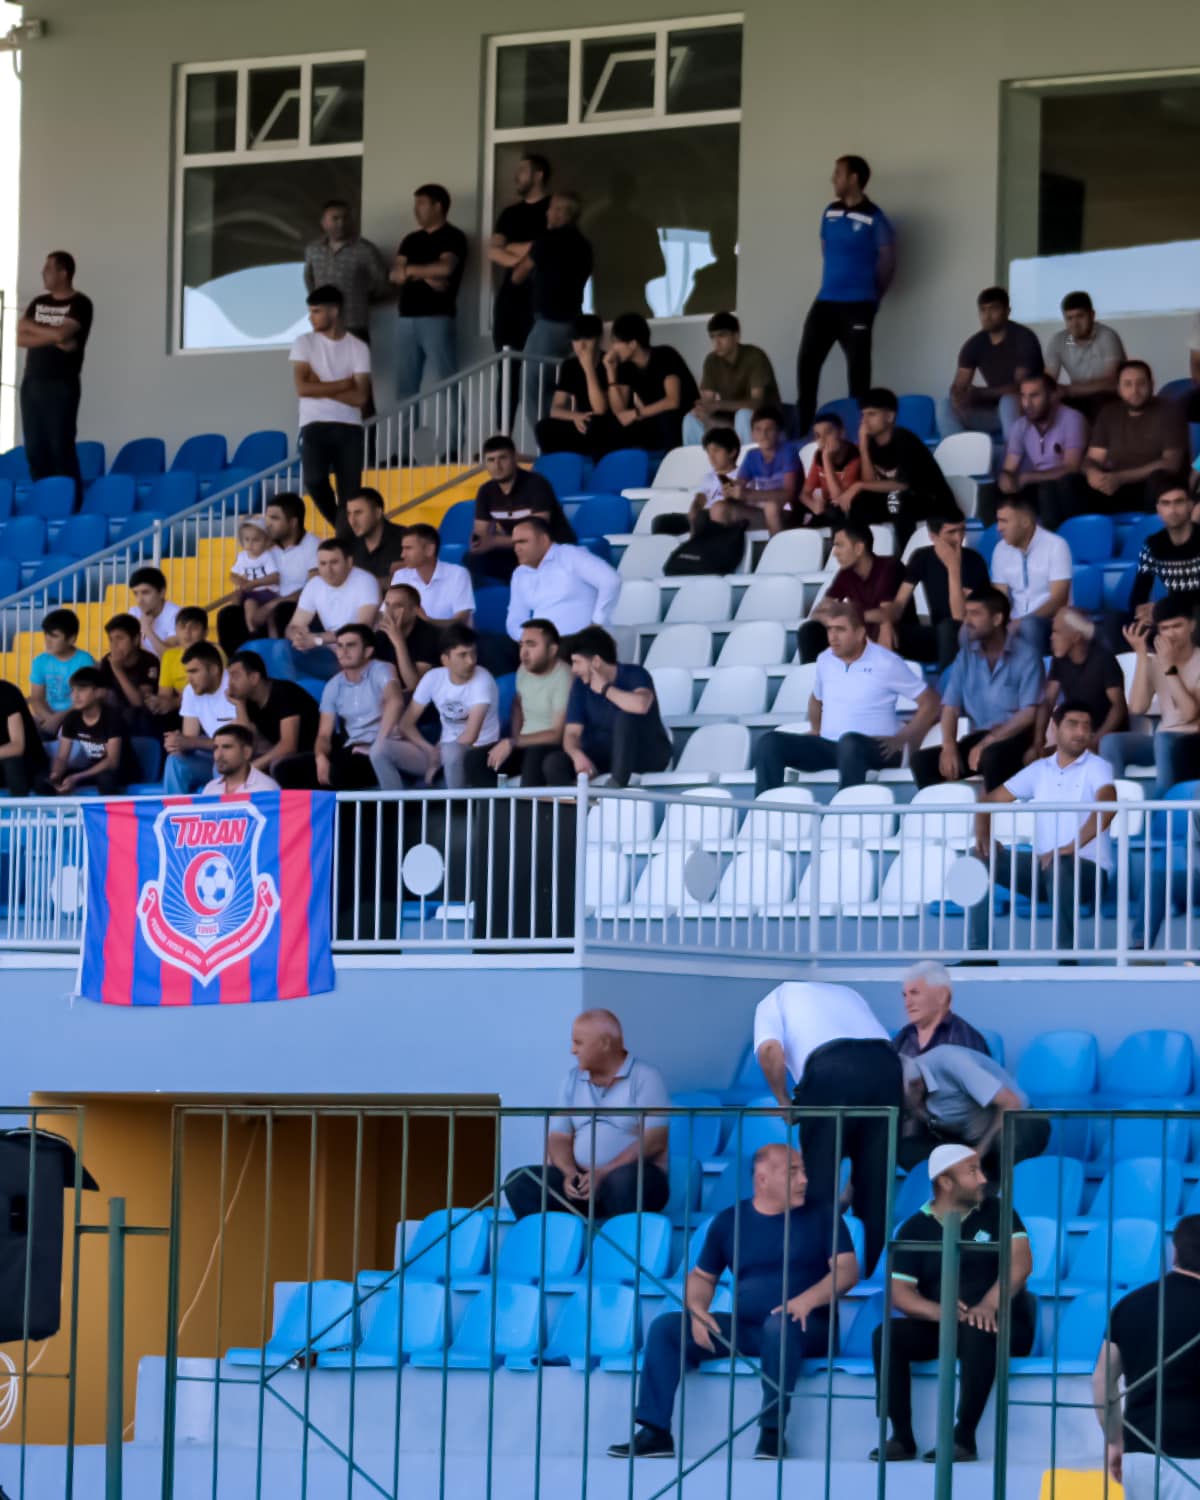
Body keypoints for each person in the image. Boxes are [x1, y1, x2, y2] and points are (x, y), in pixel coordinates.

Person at [609, 1144, 858, 1464]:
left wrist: (806, 1301)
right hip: (748, 1328)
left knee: (781, 1323)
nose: (804, 1180)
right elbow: (701, 1277)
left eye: (803, 1171)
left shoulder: (822, 1215)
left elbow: (847, 1270)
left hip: (807, 1327)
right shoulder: (730, 1221)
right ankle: (655, 1432)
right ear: (763, 1178)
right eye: (793, 1172)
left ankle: (771, 1432)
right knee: (668, 1328)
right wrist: (698, 1311)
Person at [871, 1145, 1034, 1464]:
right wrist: (941, 1312)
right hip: (945, 1323)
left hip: (1000, 1321)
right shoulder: (914, 1228)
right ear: (945, 1182)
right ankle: (901, 1436)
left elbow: (1021, 1263)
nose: (983, 1179)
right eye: (972, 1171)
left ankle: (964, 1437)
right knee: (886, 1336)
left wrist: (988, 1304)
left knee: (978, 1328)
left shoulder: (999, 1212)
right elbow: (900, 1293)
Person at [754, 979, 901, 1276]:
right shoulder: (848, 993)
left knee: (819, 1180)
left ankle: (816, 1274)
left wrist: (784, 1101)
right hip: (887, 1065)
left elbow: (770, 1051)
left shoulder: (773, 999)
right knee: (875, 1184)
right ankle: (868, 1274)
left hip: (831, 1066)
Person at [973, 701, 1117, 955]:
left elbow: (1108, 805)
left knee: (1061, 863)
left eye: (1086, 727)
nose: (1081, 732)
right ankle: (978, 953)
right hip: (1044, 869)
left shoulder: (1097, 766)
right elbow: (987, 800)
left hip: (1089, 873)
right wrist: (984, 837)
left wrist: (1069, 848)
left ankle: (1065, 954)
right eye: (1073, 724)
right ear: (1055, 727)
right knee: (977, 860)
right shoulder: (1039, 769)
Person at [754, 602, 939, 793]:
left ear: (860, 633)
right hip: (834, 746)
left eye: (840, 630)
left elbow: (931, 703)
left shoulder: (885, 662)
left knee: (849, 743)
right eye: (830, 629)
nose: (832, 637)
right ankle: (764, 813)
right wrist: (816, 729)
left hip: (880, 748)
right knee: (770, 743)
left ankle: (844, 816)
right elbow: (816, 698)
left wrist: (904, 737)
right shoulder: (826, 659)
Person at [505, 1009, 671, 1222]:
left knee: (623, 1182)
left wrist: (603, 1173)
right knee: (521, 1181)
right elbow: (558, 1137)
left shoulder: (646, 1076)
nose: (573, 1050)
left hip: (634, 1176)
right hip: (582, 1178)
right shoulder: (571, 1080)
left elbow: (654, 1141)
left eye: (578, 1043)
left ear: (604, 1043)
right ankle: (555, 1249)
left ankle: (619, 1249)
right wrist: (568, 1173)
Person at [1093, 1214, 1200, 1500]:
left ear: (1175, 1252)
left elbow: (1102, 1381)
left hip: (1142, 1453)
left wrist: (1115, 1440)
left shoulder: (1130, 1303)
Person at [796, 155, 896, 436]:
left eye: (838, 173)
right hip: (826, 301)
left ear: (854, 178)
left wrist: (873, 297)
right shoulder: (829, 212)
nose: (833, 179)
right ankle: (805, 431)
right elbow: (826, 248)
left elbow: (888, 262)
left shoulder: (875, 218)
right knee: (807, 364)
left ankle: (858, 434)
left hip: (858, 305)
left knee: (858, 374)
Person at [911, 588, 1044, 792]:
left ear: (997, 619)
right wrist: (949, 745)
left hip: (1014, 739)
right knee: (923, 761)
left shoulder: (1027, 656)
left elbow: (1028, 715)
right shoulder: (965, 656)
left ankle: (995, 820)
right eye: (966, 613)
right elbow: (950, 707)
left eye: (975, 613)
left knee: (992, 756)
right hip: (978, 739)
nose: (967, 621)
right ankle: (940, 821)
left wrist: (989, 742)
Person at [540, 626, 672, 787]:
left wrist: (605, 689)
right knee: (554, 762)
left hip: (643, 755)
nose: (573, 669)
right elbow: (572, 733)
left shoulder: (635, 674)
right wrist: (577, 755)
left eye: (577, 662)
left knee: (625, 716)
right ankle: (571, 809)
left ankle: (615, 788)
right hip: (602, 758)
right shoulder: (580, 687)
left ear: (596, 662)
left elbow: (641, 704)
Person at [372, 623, 500, 789]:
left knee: (451, 751)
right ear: (445, 660)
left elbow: (470, 736)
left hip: (477, 753)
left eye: (473, 654)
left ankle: (454, 810)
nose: (471, 661)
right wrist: (429, 751)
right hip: (443, 751)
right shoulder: (433, 678)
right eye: (463, 655)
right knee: (379, 750)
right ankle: (394, 809)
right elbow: (406, 723)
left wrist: (438, 762)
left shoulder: (483, 679)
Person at [290, 284, 371, 528]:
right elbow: (303, 389)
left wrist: (322, 384)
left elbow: (360, 398)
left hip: (349, 426)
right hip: (314, 424)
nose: (310, 317)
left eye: (316, 311)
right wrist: (344, 384)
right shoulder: (304, 343)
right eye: (310, 311)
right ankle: (341, 526)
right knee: (314, 480)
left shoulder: (358, 347)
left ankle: (344, 534)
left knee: (351, 492)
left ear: (334, 311)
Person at [840, 389, 961, 550]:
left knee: (896, 501)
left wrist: (859, 485)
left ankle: (905, 557)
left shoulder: (904, 440)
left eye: (872, 414)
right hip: (899, 498)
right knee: (859, 503)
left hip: (932, 500)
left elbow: (902, 484)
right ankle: (862, 553)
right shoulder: (871, 443)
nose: (864, 421)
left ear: (889, 417)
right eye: (863, 415)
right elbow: (870, 483)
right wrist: (863, 447)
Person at [1101, 597, 1200, 794]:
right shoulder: (1156, 662)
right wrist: (1141, 656)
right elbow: (1138, 707)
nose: (1170, 634)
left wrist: (1169, 669)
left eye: (1177, 626)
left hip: (1192, 741)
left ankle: (1163, 809)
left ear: (1191, 625)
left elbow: (1189, 713)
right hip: (1162, 740)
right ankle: (1118, 809)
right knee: (1111, 742)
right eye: (1164, 628)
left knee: (1163, 740)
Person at [512, 191, 593, 430]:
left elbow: (518, 275)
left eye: (552, 208)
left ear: (562, 213)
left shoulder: (548, 241)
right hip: (574, 323)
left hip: (549, 323)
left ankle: (544, 441)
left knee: (533, 386)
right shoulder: (584, 245)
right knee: (562, 388)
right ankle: (563, 438)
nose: (547, 212)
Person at [900, 1048, 1052, 1176]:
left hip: (1022, 1121)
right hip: (967, 1136)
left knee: (1005, 1141)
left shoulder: (950, 1062)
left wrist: (979, 1151)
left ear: (917, 1085)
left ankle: (1004, 1201)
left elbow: (1011, 1103)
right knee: (905, 1149)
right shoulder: (911, 1087)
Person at [17, 250, 94, 495]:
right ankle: (45, 497)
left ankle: (69, 500)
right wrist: (55, 337)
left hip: (61, 385)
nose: (43, 272)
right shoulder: (39, 303)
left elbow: (64, 334)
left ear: (64, 273)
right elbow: (21, 335)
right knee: (35, 448)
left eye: (48, 268)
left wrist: (43, 332)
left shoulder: (80, 303)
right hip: (32, 383)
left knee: (59, 445)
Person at [464, 619, 571, 787]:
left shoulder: (564, 676)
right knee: (475, 760)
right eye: (521, 645)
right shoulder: (524, 669)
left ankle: (527, 812)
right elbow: (517, 705)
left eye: (531, 645)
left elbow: (556, 734)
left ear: (552, 650)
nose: (524, 653)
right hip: (525, 743)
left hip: (553, 747)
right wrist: (515, 739)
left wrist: (514, 741)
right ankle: (493, 812)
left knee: (533, 759)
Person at [390, 184, 469, 406]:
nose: (416, 209)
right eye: (415, 204)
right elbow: (395, 274)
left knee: (447, 383)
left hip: (438, 317)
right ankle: (405, 441)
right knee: (406, 387)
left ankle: (454, 441)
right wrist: (427, 275)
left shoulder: (453, 236)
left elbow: (445, 269)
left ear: (438, 206)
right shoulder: (411, 239)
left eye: (421, 204)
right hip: (406, 318)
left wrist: (412, 270)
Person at [217, 492, 320, 656]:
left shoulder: (314, 545)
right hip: (263, 604)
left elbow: (312, 589)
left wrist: (272, 605)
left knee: (281, 610)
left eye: (274, 518)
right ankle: (238, 665)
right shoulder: (264, 545)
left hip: (295, 607)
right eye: (267, 518)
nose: (268, 524)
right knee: (227, 615)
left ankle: (280, 666)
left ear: (293, 522)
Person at [939, 287, 1043, 444]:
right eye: (983, 310)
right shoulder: (974, 344)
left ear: (1007, 311)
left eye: (993, 309)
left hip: (1027, 409)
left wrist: (981, 393)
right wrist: (958, 396)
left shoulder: (1024, 338)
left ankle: (1013, 458)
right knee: (945, 405)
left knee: (1008, 401)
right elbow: (959, 384)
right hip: (994, 413)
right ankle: (960, 456)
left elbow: (1020, 387)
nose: (987, 316)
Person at [468, 434, 575, 584]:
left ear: (514, 458)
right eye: (491, 460)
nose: (497, 466)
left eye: (502, 458)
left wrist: (494, 541)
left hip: (550, 549)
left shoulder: (536, 484)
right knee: (472, 559)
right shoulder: (486, 491)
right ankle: (487, 602)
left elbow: (536, 534)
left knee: (528, 555)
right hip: (518, 549)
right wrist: (478, 542)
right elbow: (481, 533)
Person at [1084, 361, 1188, 515]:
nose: (1135, 391)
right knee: (1071, 482)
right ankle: (1081, 533)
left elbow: (1171, 464)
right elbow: (1093, 458)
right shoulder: (1109, 413)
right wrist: (1092, 472)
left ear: (1152, 385)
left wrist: (1121, 478)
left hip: (1152, 487)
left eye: (1141, 384)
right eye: (1127, 384)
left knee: (1159, 479)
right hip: (1115, 486)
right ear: (1118, 388)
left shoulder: (1169, 411)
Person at [889, 515, 990, 671]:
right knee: (888, 632)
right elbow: (900, 603)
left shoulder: (974, 561)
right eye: (951, 532)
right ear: (933, 537)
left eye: (962, 530)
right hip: (937, 636)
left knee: (949, 627)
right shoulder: (922, 556)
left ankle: (948, 688)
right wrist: (886, 623)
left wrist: (953, 568)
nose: (959, 538)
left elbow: (959, 618)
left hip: (969, 637)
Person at [797, 520, 909, 660]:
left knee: (881, 627)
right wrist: (841, 620)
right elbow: (818, 612)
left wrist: (847, 617)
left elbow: (887, 614)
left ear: (858, 548)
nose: (835, 553)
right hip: (861, 632)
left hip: (898, 634)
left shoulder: (889, 567)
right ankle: (813, 676)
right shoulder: (846, 573)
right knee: (810, 630)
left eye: (840, 546)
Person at [504, 517, 621, 645]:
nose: (517, 548)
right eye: (514, 543)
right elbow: (515, 619)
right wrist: (531, 640)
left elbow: (611, 580)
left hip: (584, 646)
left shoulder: (569, 555)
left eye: (522, 542)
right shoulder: (520, 574)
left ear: (543, 540)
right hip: (546, 651)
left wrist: (597, 623)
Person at [996, 373, 1090, 530]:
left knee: (1052, 488)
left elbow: (1071, 467)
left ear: (1053, 396)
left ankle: (1059, 543)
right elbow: (1009, 468)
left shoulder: (1072, 418)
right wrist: (1005, 479)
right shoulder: (1020, 426)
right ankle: (999, 542)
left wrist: (1027, 477)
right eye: (1023, 396)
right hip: (1039, 486)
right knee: (993, 490)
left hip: (1070, 489)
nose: (1027, 403)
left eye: (1034, 396)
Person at [1029, 609, 1126, 760]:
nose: (1051, 637)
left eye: (1057, 632)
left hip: (1105, 737)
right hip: (1078, 735)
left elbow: (1118, 707)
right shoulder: (1060, 660)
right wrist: (1038, 741)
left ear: (1076, 636)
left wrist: (1096, 740)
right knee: (1031, 758)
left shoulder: (1104, 659)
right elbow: (1048, 701)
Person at [313, 626, 401, 790]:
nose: (343, 651)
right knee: (287, 769)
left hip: (382, 749)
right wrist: (320, 757)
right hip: (352, 750)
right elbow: (324, 734)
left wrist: (377, 747)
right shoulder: (333, 684)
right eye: (339, 645)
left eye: (351, 645)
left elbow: (395, 701)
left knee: (339, 773)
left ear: (368, 651)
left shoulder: (382, 669)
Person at [287, 536, 381, 680]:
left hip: (358, 655)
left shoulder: (365, 581)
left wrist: (317, 639)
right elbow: (293, 626)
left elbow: (362, 630)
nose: (328, 570)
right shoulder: (314, 585)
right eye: (322, 563)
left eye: (334, 562)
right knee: (280, 650)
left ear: (349, 562)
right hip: (329, 652)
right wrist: (298, 637)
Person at [990, 492, 1073, 651]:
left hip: (1050, 621)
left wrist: (1023, 621)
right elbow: (1000, 598)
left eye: (1004, 521)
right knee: (973, 628)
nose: (999, 528)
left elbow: (1059, 599)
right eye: (998, 521)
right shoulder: (1000, 550)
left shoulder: (1056, 546)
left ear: (1026, 522)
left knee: (1030, 626)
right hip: (1015, 621)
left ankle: (1035, 675)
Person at [605, 313, 700, 452]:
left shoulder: (665, 355)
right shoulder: (626, 366)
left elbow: (672, 401)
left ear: (632, 344)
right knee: (614, 426)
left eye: (615, 342)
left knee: (665, 418)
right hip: (652, 416)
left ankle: (671, 464)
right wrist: (610, 372)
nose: (612, 348)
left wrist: (636, 414)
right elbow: (620, 412)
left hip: (683, 417)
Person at [683, 312, 780, 446]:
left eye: (722, 335)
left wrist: (719, 405)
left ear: (736, 336)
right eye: (712, 337)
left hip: (762, 419)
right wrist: (702, 410)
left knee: (743, 414)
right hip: (730, 421)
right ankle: (701, 463)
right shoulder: (711, 360)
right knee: (690, 419)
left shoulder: (755, 356)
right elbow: (708, 399)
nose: (717, 342)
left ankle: (746, 463)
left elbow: (757, 403)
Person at [488, 153, 551, 357]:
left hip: (541, 298)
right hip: (510, 299)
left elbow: (551, 246)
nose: (517, 176)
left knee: (539, 366)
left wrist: (512, 247)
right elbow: (493, 250)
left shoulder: (553, 209)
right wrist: (526, 258)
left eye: (523, 170)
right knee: (507, 364)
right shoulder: (510, 213)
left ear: (539, 175)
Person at [303, 199, 390, 343]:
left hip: (354, 323)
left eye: (346, 218)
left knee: (355, 366)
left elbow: (382, 282)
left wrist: (363, 298)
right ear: (324, 223)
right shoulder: (313, 249)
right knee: (323, 366)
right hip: (324, 325)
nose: (341, 223)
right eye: (335, 218)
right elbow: (309, 279)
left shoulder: (365, 249)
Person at [534, 314, 619, 459]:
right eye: (576, 339)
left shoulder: (609, 362)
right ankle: (560, 464)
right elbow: (556, 409)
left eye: (587, 339)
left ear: (598, 339)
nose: (581, 345)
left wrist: (588, 369)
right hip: (583, 421)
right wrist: (575, 416)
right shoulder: (570, 366)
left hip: (607, 424)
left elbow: (600, 409)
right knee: (544, 427)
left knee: (596, 424)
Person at [226, 651, 320, 778]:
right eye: (229, 677)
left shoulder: (285, 693)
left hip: (314, 754)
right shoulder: (248, 700)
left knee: (278, 767)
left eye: (235, 677)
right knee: (229, 763)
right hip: (281, 754)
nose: (230, 684)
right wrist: (239, 705)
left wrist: (251, 768)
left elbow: (288, 746)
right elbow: (248, 741)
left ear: (254, 678)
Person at [40, 667, 129, 795]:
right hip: (92, 769)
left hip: (120, 772)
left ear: (99, 693)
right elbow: (62, 757)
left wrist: (77, 777)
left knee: (106, 779)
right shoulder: (72, 717)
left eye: (81, 690)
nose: (75, 696)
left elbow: (112, 762)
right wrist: (56, 774)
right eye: (73, 690)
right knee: (44, 781)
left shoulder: (112, 718)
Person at [162, 643, 237, 793]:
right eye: (187, 672)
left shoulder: (235, 686)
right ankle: (174, 813)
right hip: (210, 757)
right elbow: (190, 737)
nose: (189, 679)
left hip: (239, 758)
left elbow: (236, 742)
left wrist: (191, 742)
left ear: (214, 670)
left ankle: (224, 814)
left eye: (194, 671)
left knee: (222, 760)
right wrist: (177, 743)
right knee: (175, 761)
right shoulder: (190, 691)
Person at [1044, 290, 1126, 420]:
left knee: (1099, 401)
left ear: (1092, 315)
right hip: (1078, 397)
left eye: (1080, 316)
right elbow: (1048, 381)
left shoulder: (1107, 336)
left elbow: (1110, 382)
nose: (1075, 324)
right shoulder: (1058, 340)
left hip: (1108, 397)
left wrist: (1069, 390)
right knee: (1048, 406)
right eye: (1069, 318)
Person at [1128, 478, 1200, 623]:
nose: (1172, 510)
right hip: (1174, 616)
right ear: (1158, 509)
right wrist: (1141, 614)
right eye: (1166, 503)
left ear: (1190, 505)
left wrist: (1162, 608)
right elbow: (1138, 595)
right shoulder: (1153, 544)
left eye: (1178, 502)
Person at [891, 961, 989, 1058]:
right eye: (905, 995)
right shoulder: (903, 1037)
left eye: (915, 993)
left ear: (942, 996)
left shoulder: (966, 1039)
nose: (907, 1003)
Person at [390, 524, 475, 629]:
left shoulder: (458, 574)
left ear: (429, 550)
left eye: (408, 548)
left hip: (451, 642)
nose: (402, 555)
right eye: (403, 548)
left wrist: (428, 622)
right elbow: (386, 614)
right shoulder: (401, 576)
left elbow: (461, 621)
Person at [28, 608, 96, 738]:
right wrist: (49, 719)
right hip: (48, 716)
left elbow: (87, 700)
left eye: (54, 636)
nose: (48, 640)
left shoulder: (84, 660)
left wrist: (57, 719)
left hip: (78, 716)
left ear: (71, 639)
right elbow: (37, 698)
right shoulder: (40, 661)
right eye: (46, 634)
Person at [733, 406, 802, 524]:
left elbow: (788, 495)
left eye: (769, 429)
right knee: (720, 508)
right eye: (758, 429)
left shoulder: (788, 451)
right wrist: (732, 491)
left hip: (790, 510)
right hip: (764, 508)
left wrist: (750, 495)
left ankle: (777, 543)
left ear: (779, 432)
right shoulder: (751, 455)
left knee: (771, 507)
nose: (763, 434)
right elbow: (739, 485)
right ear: (752, 434)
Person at [794, 410, 861, 527]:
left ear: (841, 433)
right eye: (818, 436)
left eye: (828, 433)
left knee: (836, 511)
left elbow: (839, 498)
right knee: (792, 507)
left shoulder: (854, 455)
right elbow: (804, 493)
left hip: (847, 508)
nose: (822, 439)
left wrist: (826, 459)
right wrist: (813, 506)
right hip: (827, 506)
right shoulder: (818, 455)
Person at [98, 613, 161, 736]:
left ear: (136, 639)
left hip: (139, 720)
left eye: (120, 638)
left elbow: (139, 703)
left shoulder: (149, 661)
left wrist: (118, 670)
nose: (114, 645)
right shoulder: (107, 661)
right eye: (111, 639)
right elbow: (102, 695)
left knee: (135, 714)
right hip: (113, 716)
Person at [149, 606, 213, 719]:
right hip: (181, 709)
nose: (187, 633)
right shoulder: (170, 656)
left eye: (194, 628)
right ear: (176, 630)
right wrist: (157, 703)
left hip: (208, 709)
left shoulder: (215, 654)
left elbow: (205, 694)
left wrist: (174, 703)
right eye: (182, 627)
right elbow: (164, 694)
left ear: (205, 633)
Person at [372, 583, 441, 686]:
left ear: (414, 611)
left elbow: (414, 686)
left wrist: (398, 642)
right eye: (387, 605)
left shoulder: (429, 634)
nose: (389, 612)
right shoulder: (380, 635)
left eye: (397, 606)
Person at [687, 426, 751, 532]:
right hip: (702, 515)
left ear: (732, 452)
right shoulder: (708, 477)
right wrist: (694, 509)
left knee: (702, 518)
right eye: (708, 452)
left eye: (716, 451)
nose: (711, 457)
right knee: (661, 522)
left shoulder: (743, 475)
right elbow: (699, 499)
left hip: (723, 517)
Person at [228, 516, 282, 638]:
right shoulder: (242, 557)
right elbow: (232, 575)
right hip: (250, 592)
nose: (250, 544)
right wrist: (240, 581)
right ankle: (246, 631)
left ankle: (255, 633)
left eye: (256, 540)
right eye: (247, 539)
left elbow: (274, 577)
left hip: (268, 591)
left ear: (266, 541)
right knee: (236, 600)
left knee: (258, 609)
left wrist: (253, 584)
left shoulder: (267, 556)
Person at [0, 678, 48, 796]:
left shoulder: (6, 692)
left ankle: (18, 809)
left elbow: (17, 747)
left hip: (26, 763)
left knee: (12, 763)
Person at [202, 723, 280, 795]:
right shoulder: (210, 788)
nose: (219, 755)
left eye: (227, 747)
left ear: (247, 752)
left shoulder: (266, 788)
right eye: (215, 748)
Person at [129, 567, 180, 659]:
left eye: (145, 592)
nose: (139, 600)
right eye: (136, 593)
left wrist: (147, 629)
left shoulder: (176, 614)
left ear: (162, 592)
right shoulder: (134, 612)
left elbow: (168, 656)